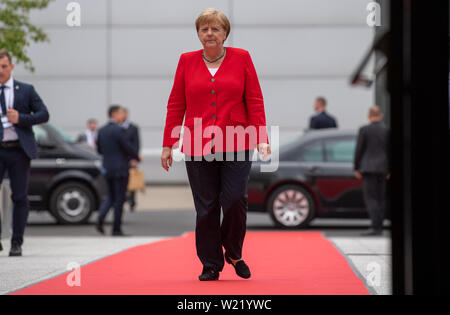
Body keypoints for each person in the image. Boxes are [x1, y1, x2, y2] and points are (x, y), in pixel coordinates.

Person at [161, 8, 271, 281]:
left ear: (225, 33)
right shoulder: (186, 61)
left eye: (215, 29)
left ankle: (233, 251)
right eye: (204, 29)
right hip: (198, 144)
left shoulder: (242, 58)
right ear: (198, 34)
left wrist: (261, 137)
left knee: (235, 199)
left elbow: (255, 100)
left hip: (236, 140)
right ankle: (210, 263)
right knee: (206, 207)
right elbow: (177, 103)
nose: (210, 33)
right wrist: (168, 144)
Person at [0, 50, 50, 256]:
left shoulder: (26, 90)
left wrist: (21, 118)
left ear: (11, 67)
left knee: (19, 197)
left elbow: (44, 114)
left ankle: (16, 241)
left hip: (19, 151)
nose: (0, 71)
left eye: (3, 66)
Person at [95, 105, 140, 236]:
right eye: (121, 113)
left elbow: (99, 150)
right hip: (120, 169)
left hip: (107, 168)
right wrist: (136, 157)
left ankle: (100, 217)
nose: (123, 116)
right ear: (114, 114)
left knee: (111, 196)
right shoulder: (119, 130)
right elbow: (128, 147)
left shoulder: (101, 130)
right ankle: (116, 229)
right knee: (119, 199)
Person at [354, 106, 389, 236]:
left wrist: (356, 167)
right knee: (381, 198)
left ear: (369, 116)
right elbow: (390, 150)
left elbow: (359, 150)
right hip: (383, 168)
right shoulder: (386, 130)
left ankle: (375, 227)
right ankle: (379, 226)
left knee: (371, 198)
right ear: (381, 116)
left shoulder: (364, 130)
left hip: (368, 168)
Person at [122, 108, 141, 212]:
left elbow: (137, 144)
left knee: (133, 181)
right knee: (122, 181)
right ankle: (123, 200)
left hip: (131, 159)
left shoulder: (133, 128)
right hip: (121, 160)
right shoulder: (118, 127)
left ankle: (132, 202)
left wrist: (135, 158)